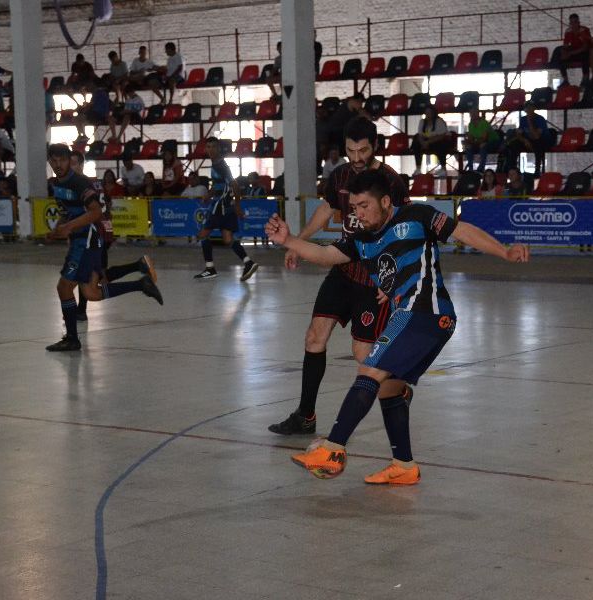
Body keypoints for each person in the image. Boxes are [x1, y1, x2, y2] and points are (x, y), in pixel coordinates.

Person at [267, 171, 528, 485]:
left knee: (369, 371)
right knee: (388, 387)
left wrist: (504, 251)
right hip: (410, 316)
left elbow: (462, 232)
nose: (357, 214)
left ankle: (333, 449)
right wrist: (288, 241)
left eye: (364, 206)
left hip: (424, 312)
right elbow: (324, 256)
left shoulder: (416, 215)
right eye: (353, 207)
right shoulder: (361, 239)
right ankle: (403, 465)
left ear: (386, 202)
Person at [267, 116, 412, 436]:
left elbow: (407, 231)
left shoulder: (391, 181)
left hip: (373, 278)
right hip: (343, 268)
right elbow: (326, 208)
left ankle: (399, 389)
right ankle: (306, 416)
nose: (357, 158)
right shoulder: (341, 175)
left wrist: (396, 279)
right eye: (351, 151)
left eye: (363, 151)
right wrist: (298, 242)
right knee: (314, 336)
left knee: (363, 355)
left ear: (376, 146)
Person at [45, 144, 163, 351]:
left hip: (86, 241)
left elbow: (96, 212)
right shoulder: (56, 184)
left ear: (70, 162)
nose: (58, 165)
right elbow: (68, 212)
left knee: (64, 287)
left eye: (62, 160)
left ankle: (72, 338)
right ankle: (141, 284)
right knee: (91, 292)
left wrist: (69, 228)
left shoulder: (79, 183)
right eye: (53, 161)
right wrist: (56, 230)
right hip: (84, 240)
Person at [193, 137, 258, 281]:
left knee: (203, 235)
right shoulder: (215, 164)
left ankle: (210, 268)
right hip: (225, 206)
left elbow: (234, 185)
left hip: (220, 205)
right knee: (228, 239)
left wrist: (238, 206)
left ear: (218, 149)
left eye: (213, 147)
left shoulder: (220, 165)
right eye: (208, 147)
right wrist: (209, 194)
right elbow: (218, 185)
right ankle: (248, 262)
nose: (210, 149)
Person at [501, 102, 552, 175]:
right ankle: (512, 169)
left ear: (534, 109)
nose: (529, 110)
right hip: (529, 140)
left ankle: (537, 170)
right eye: (527, 109)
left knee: (538, 145)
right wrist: (525, 141)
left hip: (542, 140)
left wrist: (530, 122)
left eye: (531, 108)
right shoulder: (523, 119)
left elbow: (536, 136)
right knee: (514, 144)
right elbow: (519, 134)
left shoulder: (540, 119)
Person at [411, 105, 453, 176]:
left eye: (429, 112)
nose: (428, 114)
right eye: (426, 112)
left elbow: (441, 136)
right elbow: (420, 134)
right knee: (416, 142)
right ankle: (418, 169)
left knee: (441, 144)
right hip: (426, 142)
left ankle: (443, 169)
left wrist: (428, 142)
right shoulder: (422, 121)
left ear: (433, 113)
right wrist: (423, 143)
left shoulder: (439, 121)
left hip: (439, 140)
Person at [560, 13, 592, 87]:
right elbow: (566, 45)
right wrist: (564, 52)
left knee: (585, 56)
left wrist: (571, 53)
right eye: (572, 22)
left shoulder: (584, 30)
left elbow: (585, 47)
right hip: (573, 50)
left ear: (578, 23)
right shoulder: (568, 31)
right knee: (561, 58)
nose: (574, 24)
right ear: (570, 23)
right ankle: (565, 80)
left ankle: (585, 79)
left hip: (583, 51)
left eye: (575, 22)